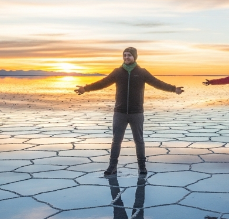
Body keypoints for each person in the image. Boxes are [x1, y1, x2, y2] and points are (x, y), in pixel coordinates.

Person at [75, 47, 183, 177]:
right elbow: (102, 83)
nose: (126, 57)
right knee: (116, 141)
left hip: (136, 112)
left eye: (129, 55)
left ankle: (142, 167)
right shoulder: (117, 72)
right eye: (125, 55)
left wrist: (173, 89)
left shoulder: (142, 72)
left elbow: (157, 83)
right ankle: (112, 166)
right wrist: (85, 89)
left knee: (139, 141)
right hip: (119, 112)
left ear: (135, 57)